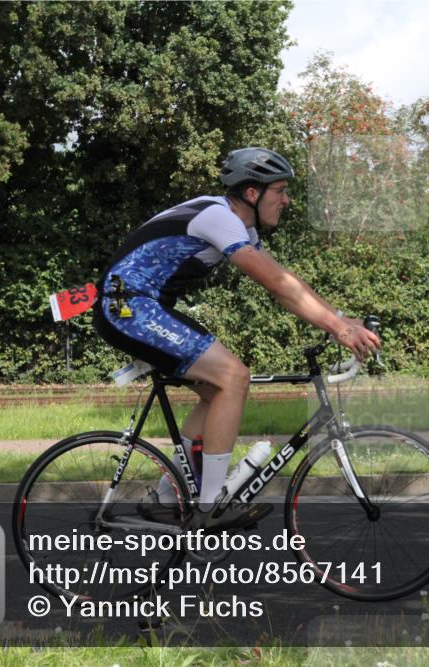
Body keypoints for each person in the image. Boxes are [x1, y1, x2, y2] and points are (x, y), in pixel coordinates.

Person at [93, 147, 381, 530]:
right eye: (279, 190)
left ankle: (167, 495)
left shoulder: (238, 226)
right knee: (233, 376)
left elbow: (286, 284)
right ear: (251, 193)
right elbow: (275, 283)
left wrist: (342, 319)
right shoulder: (219, 218)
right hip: (128, 307)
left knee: (217, 393)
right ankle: (210, 506)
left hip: (142, 307)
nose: (286, 199)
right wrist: (339, 329)